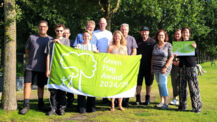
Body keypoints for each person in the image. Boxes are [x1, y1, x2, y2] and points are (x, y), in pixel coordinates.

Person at [20, 20, 53, 115]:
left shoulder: (50, 40)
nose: (42, 28)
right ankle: (26, 105)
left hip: (43, 67)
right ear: (38, 28)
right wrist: (29, 60)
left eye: (44, 26)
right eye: (40, 26)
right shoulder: (32, 37)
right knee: (27, 84)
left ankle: (40, 104)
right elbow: (27, 50)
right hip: (30, 67)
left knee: (41, 86)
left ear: (47, 28)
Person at [45, 24, 70, 116]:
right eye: (57, 31)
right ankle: (52, 108)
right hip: (53, 69)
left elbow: (68, 53)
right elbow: (48, 56)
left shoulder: (67, 41)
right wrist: (47, 69)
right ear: (55, 31)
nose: (59, 32)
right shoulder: (50, 42)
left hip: (63, 69)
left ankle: (61, 108)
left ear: (63, 31)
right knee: (53, 90)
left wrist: (59, 43)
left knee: (62, 90)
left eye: (61, 31)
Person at [178, 27, 202, 113]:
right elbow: (180, 57)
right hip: (183, 68)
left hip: (191, 67)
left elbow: (196, 54)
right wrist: (179, 64)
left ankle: (196, 107)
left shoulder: (192, 43)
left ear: (189, 34)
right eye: (183, 32)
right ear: (182, 34)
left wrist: (195, 48)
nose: (185, 33)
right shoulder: (179, 44)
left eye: (187, 32)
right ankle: (182, 106)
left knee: (193, 87)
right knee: (182, 88)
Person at [75, 31, 98, 114]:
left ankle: (91, 106)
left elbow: (97, 58)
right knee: (81, 88)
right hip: (81, 70)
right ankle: (81, 106)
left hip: (90, 71)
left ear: (90, 37)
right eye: (85, 36)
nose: (86, 37)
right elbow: (74, 56)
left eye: (88, 36)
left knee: (90, 88)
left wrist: (97, 53)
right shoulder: (78, 46)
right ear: (82, 37)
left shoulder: (93, 46)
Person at [152, 30, 173, 109]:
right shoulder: (155, 46)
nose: (161, 37)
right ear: (157, 36)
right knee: (159, 84)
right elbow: (153, 57)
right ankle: (162, 101)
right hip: (156, 68)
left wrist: (165, 67)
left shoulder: (168, 45)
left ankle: (166, 103)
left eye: (162, 35)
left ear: (165, 36)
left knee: (162, 83)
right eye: (159, 35)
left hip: (164, 68)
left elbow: (171, 57)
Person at [107, 30, 127, 111]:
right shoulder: (110, 47)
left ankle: (120, 105)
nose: (117, 38)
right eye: (116, 36)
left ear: (121, 37)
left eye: (119, 36)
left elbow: (126, 59)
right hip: (113, 69)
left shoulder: (124, 47)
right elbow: (107, 58)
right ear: (114, 37)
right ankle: (112, 105)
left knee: (120, 87)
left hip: (121, 69)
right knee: (113, 87)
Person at [94, 17, 113, 104]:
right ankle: (94, 95)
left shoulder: (109, 34)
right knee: (97, 77)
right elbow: (93, 45)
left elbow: (112, 44)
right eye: (101, 23)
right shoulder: (95, 33)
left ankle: (105, 97)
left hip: (107, 58)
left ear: (106, 24)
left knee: (106, 78)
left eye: (104, 23)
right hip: (97, 58)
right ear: (99, 24)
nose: (102, 25)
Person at [136, 26, 156, 105]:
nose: (144, 33)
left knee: (149, 83)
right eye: (143, 31)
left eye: (146, 31)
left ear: (148, 32)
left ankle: (147, 98)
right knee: (138, 83)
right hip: (138, 66)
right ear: (141, 32)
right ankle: (138, 98)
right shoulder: (137, 41)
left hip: (149, 66)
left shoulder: (153, 42)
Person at [120, 23, 138, 107]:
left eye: (125, 29)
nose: (124, 31)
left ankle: (125, 101)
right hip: (118, 64)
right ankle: (117, 100)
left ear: (128, 30)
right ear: (120, 30)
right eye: (122, 29)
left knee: (127, 82)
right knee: (119, 82)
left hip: (128, 64)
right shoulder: (117, 37)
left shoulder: (132, 39)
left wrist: (129, 59)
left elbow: (134, 50)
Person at [63, 28, 75, 108]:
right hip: (62, 65)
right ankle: (63, 102)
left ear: (69, 34)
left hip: (70, 66)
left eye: (67, 33)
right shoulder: (59, 42)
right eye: (64, 33)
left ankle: (70, 101)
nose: (65, 34)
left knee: (70, 84)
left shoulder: (72, 43)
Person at [170, 29, 182, 105]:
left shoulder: (184, 44)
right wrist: (173, 61)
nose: (177, 35)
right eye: (176, 34)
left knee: (181, 83)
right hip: (173, 66)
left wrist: (180, 63)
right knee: (174, 82)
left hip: (182, 66)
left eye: (178, 34)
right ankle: (175, 98)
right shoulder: (172, 44)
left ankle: (182, 99)